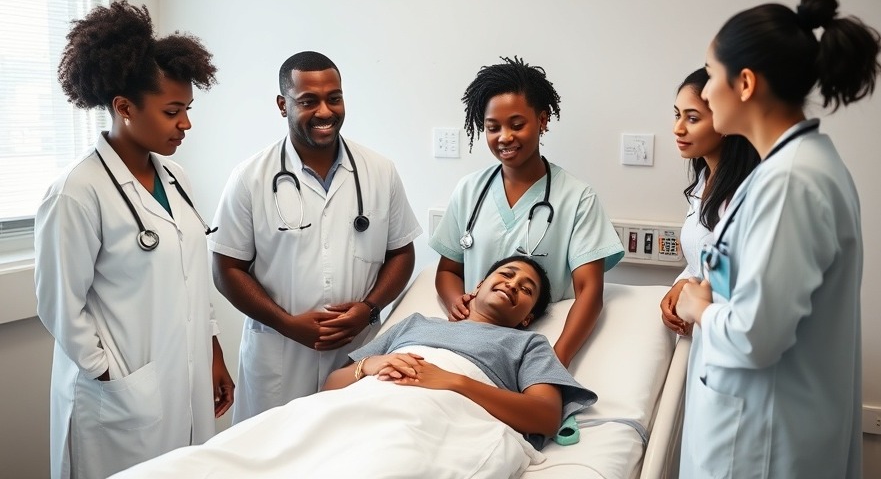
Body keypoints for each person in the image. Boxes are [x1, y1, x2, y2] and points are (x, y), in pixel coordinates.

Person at [113, 257, 596, 479]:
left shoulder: (527, 344)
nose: (513, 284)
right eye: (506, 274)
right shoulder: (416, 322)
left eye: (527, 288)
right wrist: (371, 364)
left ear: (530, 313)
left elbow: (544, 418)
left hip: (430, 419)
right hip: (362, 403)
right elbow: (332, 384)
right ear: (477, 286)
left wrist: (450, 381)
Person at [675, 0, 878, 477]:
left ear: (745, 83)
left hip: (760, 445)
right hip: (759, 429)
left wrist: (698, 306)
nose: (702, 92)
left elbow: (754, 336)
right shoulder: (792, 169)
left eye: (711, 75)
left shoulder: (790, 182)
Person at [34, 0, 234, 479]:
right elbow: (60, 304)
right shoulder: (76, 193)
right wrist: (110, 374)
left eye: (187, 109)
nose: (185, 124)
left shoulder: (177, 177)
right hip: (120, 397)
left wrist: (212, 352)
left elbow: (189, 278)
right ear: (123, 108)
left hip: (181, 379)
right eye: (172, 111)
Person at [209, 51, 422, 423]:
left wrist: (369, 310)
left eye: (334, 98)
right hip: (278, 356)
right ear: (282, 104)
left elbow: (402, 252)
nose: (325, 111)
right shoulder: (250, 178)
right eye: (308, 101)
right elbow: (226, 268)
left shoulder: (380, 171)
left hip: (356, 354)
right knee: (269, 458)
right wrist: (286, 323)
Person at [429, 56, 624, 367]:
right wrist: (458, 304)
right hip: (466, 340)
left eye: (517, 125)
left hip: (533, 344)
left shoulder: (577, 198)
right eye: (493, 128)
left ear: (543, 120)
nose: (504, 137)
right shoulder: (470, 190)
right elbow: (449, 271)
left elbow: (589, 292)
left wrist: (556, 360)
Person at [659, 68, 758, 336]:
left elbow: (741, 286)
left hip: (727, 332)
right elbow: (700, 263)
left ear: (725, 120)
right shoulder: (704, 179)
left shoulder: (746, 196)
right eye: (677, 115)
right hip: (703, 329)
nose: (677, 128)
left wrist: (694, 298)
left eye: (692, 118)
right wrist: (680, 285)